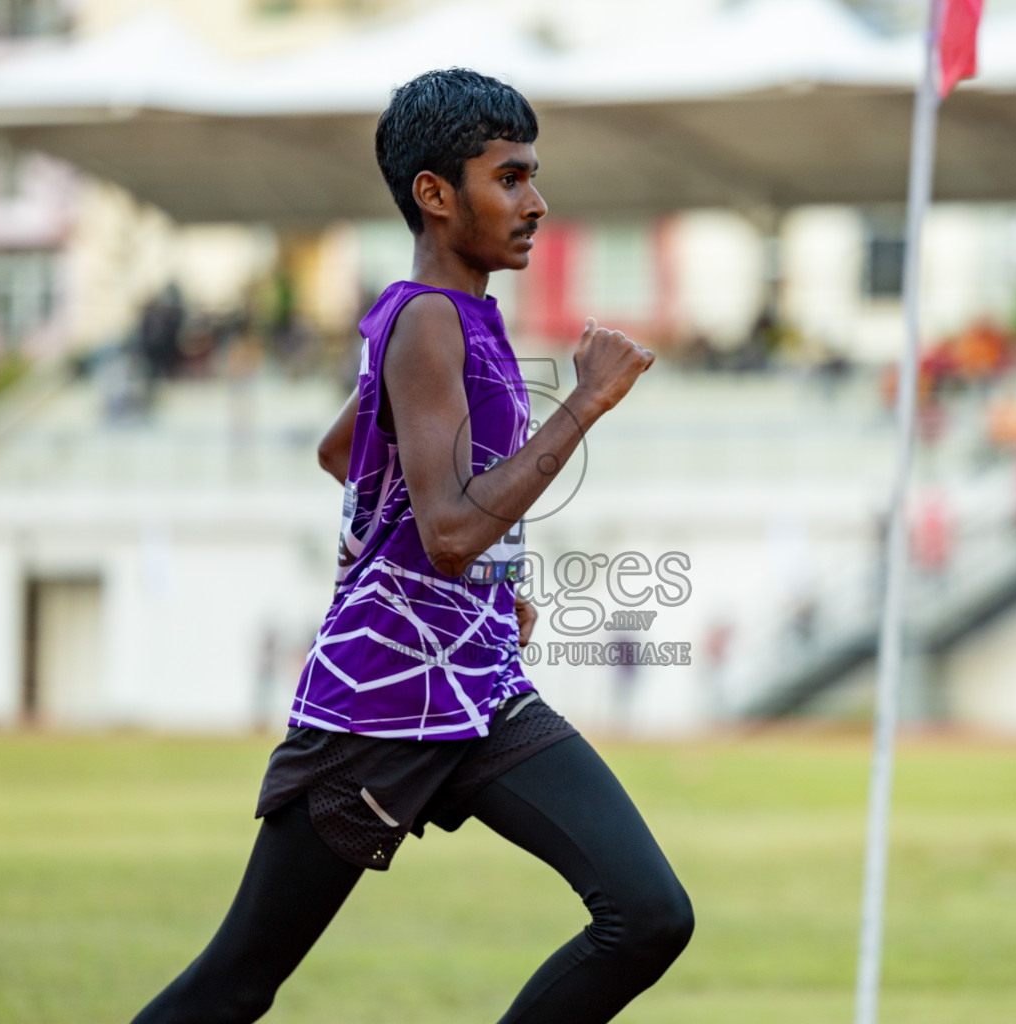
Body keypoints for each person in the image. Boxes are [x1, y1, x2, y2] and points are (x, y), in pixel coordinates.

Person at [130, 69, 692, 1024]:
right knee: (236, 982)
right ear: (435, 194)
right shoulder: (429, 319)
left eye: (533, 177)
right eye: (509, 178)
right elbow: (449, 532)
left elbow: (343, 450)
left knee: (647, 914)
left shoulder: (452, 317)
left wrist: (484, 586)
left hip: (476, 689)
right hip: (380, 704)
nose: (536, 202)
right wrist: (587, 400)